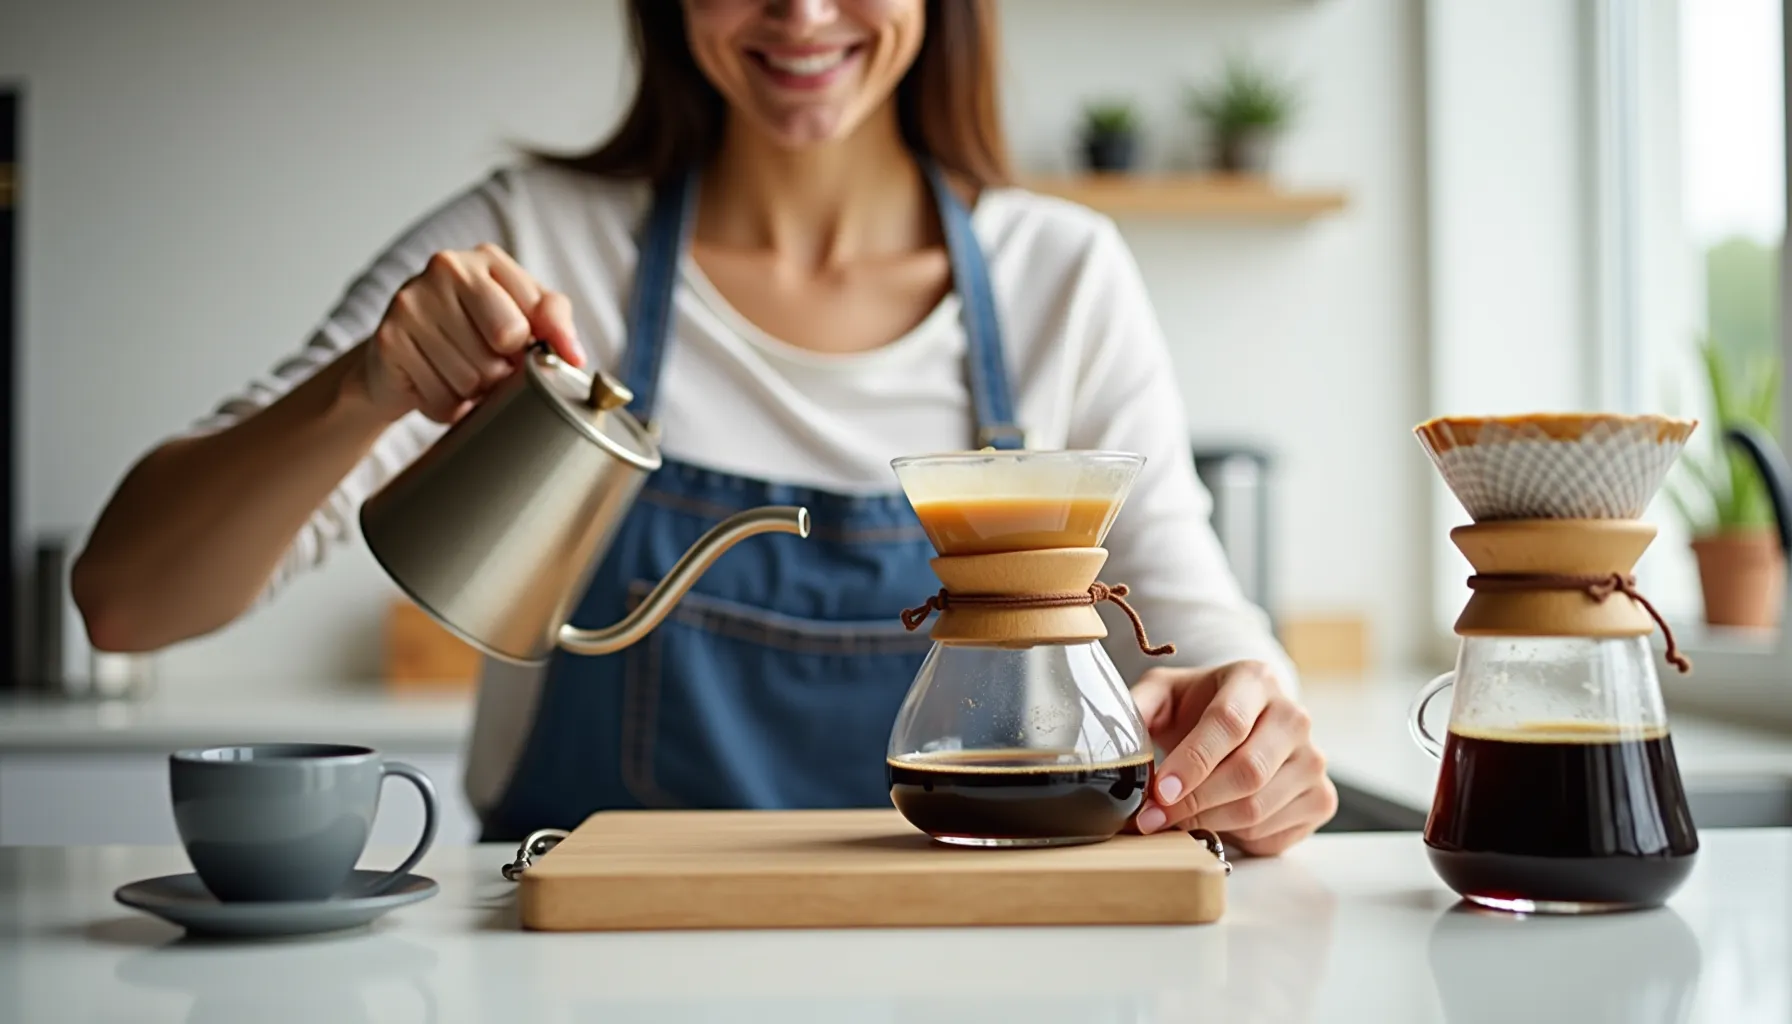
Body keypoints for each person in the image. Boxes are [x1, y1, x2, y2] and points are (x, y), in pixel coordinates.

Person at [71, 0, 1336, 853]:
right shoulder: (539, 242)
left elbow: (1199, 623)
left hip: (964, 968)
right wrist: (365, 386)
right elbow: (128, 603)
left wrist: (1251, 727)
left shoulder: (1059, 276)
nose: (798, 13)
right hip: (582, 982)